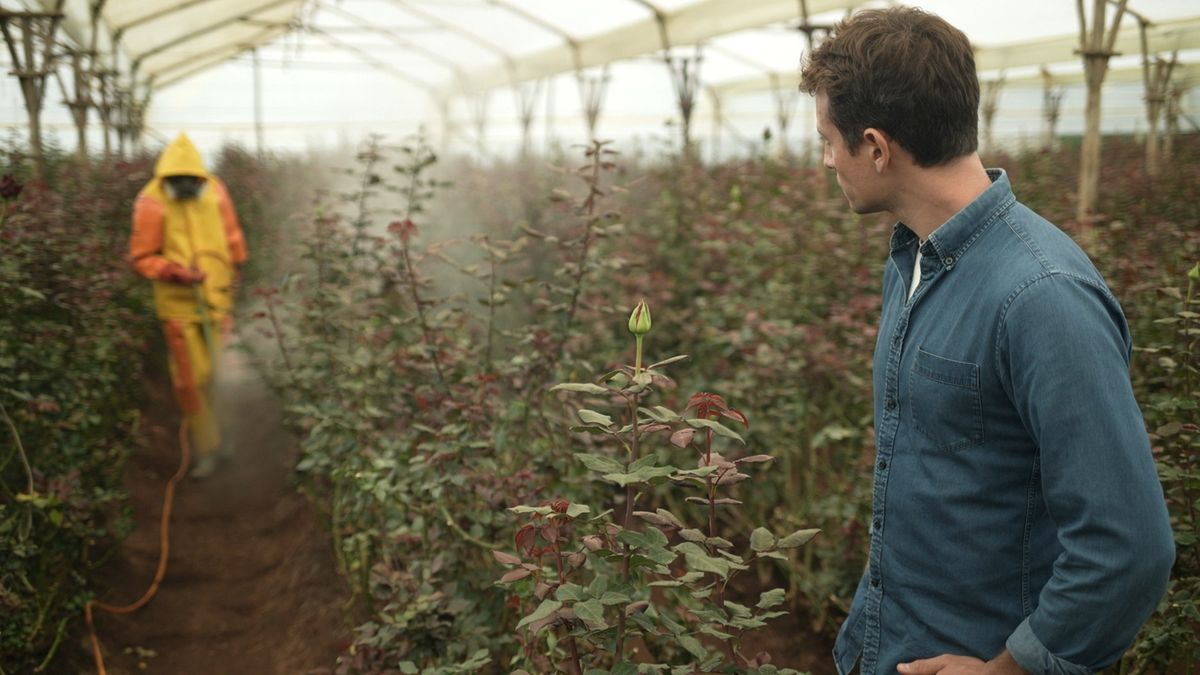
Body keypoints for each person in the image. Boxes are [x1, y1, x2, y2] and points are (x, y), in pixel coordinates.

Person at [797, 7, 1174, 675]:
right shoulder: (913, 263)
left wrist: (1010, 668)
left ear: (878, 148)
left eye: (829, 139)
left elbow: (1127, 544)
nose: (827, 157)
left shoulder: (1042, 295)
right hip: (888, 642)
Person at [129, 132, 247, 478]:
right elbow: (142, 256)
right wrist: (173, 271)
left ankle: (229, 438)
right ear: (165, 179)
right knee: (190, 382)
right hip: (179, 309)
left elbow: (232, 235)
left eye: (191, 180)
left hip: (217, 300)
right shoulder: (150, 202)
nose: (185, 186)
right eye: (177, 181)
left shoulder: (216, 191)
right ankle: (208, 446)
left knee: (221, 375)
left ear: (201, 176)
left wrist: (236, 268)